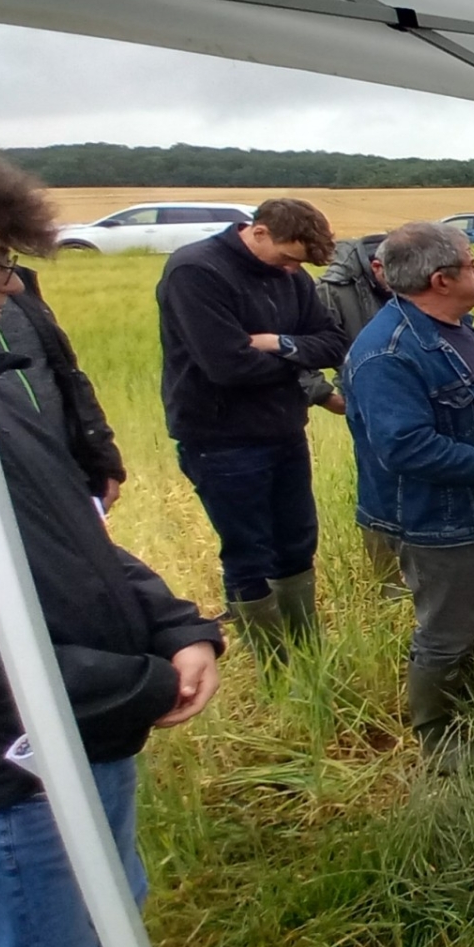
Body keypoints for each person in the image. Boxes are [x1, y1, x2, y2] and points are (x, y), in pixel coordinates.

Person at [0, 155, 243, 947]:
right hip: (16, 768)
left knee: (107, 919)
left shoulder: (2, 401)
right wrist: (139, 682)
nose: (11, 287)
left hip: (85, 728)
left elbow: (81, 542)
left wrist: (180, 624)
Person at [345, 222, 474, 769]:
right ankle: (439, 738)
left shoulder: (453, 328)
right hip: (437, 519)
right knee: (445, 628)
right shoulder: (389, 353)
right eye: (472, 262)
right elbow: (405, 448)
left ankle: (472, 702)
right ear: (441, 279)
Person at [156, 197, 348, 665]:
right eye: (286, 256)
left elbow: (334, 343)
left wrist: (279, 344)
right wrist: (296, 362)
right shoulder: (196, 271)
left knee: (297, 542)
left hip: (283, 429)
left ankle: (307, 652)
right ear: (258, 232)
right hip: (220, 438)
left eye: (298, 263)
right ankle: (274, 664)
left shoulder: (292, 277)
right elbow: (226, 365)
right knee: (248, 552)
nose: (290, 269)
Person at [301, 230, 404, 596]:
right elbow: (298, 349)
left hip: (411, 395)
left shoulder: (409, 276)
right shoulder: (331, 289)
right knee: (379, 485)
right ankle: (388, 580)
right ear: (376, 266)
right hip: (363, 400)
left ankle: (417, 568)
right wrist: (323, 393)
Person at [0, 263, 125, 510]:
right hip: (7, 486)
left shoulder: (16, 283)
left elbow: (68, 376)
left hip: (61, 468)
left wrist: (102, 459)